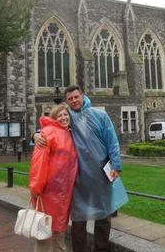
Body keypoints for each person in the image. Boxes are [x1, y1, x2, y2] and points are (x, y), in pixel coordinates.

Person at [34, 85, 128, 252]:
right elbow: (50, 125)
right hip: (77, 177)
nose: (74, 101)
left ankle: (102, 249)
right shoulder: (67, 117)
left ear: (82, 96)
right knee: (78, 221)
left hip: (101, 175)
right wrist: (34, 134)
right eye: (70, 99)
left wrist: (116, 165)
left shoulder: (100, 115)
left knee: (104, 217)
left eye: (76, 97)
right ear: (67, 101)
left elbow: (112, 142)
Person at [29, 103, 78, 252]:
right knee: (45, 232)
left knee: (59, 230)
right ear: (54, 117)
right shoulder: (48, 132)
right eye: (60, 115)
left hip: (63, 194)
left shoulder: (68, 133)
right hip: (48, 193)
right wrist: (36, 187)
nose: (64, 117)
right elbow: (39, 161)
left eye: (65, 114)